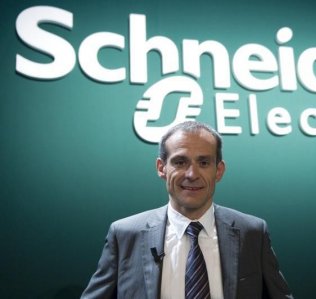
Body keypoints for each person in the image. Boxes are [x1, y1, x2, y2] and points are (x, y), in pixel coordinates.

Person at [81, 121, 293, 299]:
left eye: (203, 162)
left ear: (218, 171)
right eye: (180, 162)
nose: (192, 174)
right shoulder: (124, 234)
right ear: (161, 168)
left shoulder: (253, 233)